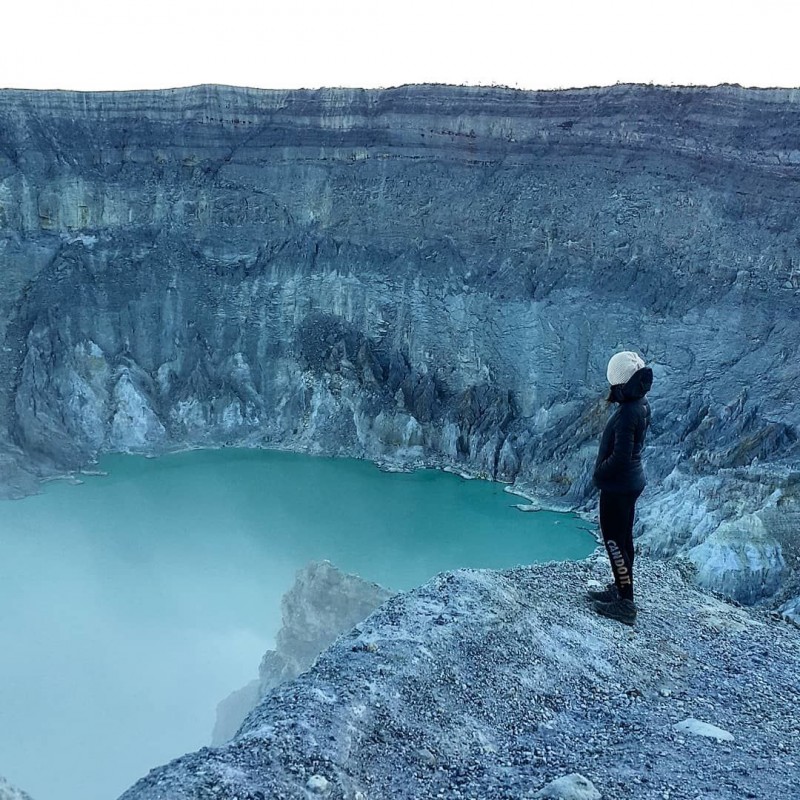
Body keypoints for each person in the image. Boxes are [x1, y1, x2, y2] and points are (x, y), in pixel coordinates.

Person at [587, 350, 653, 626]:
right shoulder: (641, 404)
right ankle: (621, 588)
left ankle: (625, 604)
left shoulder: (628, 412)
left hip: (619, 486)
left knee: (614, 541)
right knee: (624, 540)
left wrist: (599, 474)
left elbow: (621, 456)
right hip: (630, 483)